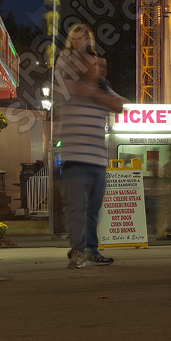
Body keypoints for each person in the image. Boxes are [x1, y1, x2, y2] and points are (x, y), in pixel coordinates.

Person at [56, 38, 125, 269]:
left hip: (97, 161)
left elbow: (120, 105)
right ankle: (77, 251)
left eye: (99, 66)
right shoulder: (68, 85)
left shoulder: (100, 89)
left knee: (92, 211)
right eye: (93, 64)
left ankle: (91, 249)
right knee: (76, 210)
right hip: (75, 161)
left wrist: (96, 93)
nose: (97, 69)